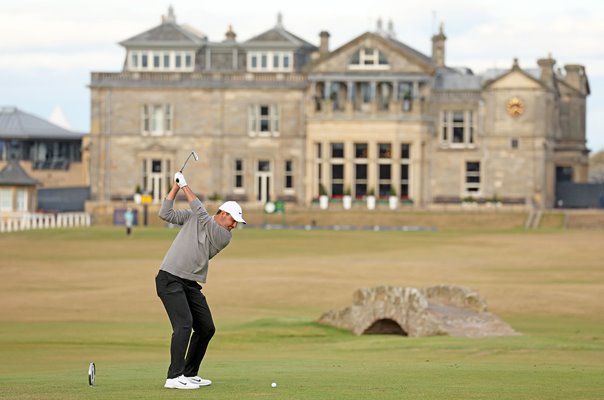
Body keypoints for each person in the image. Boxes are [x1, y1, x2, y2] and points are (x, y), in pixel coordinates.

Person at [155, 172, 246, 390]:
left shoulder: (223, 236)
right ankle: (174, 377)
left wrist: (186, 185)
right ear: (223, 214)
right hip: (170, 278)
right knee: (184, 325)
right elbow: (165, 213)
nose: (235, 225)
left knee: (206, 328)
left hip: (189, 284)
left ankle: (189, 372)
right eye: (233, 220)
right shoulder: (195, 217)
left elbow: (202, 215)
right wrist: (176, 188)